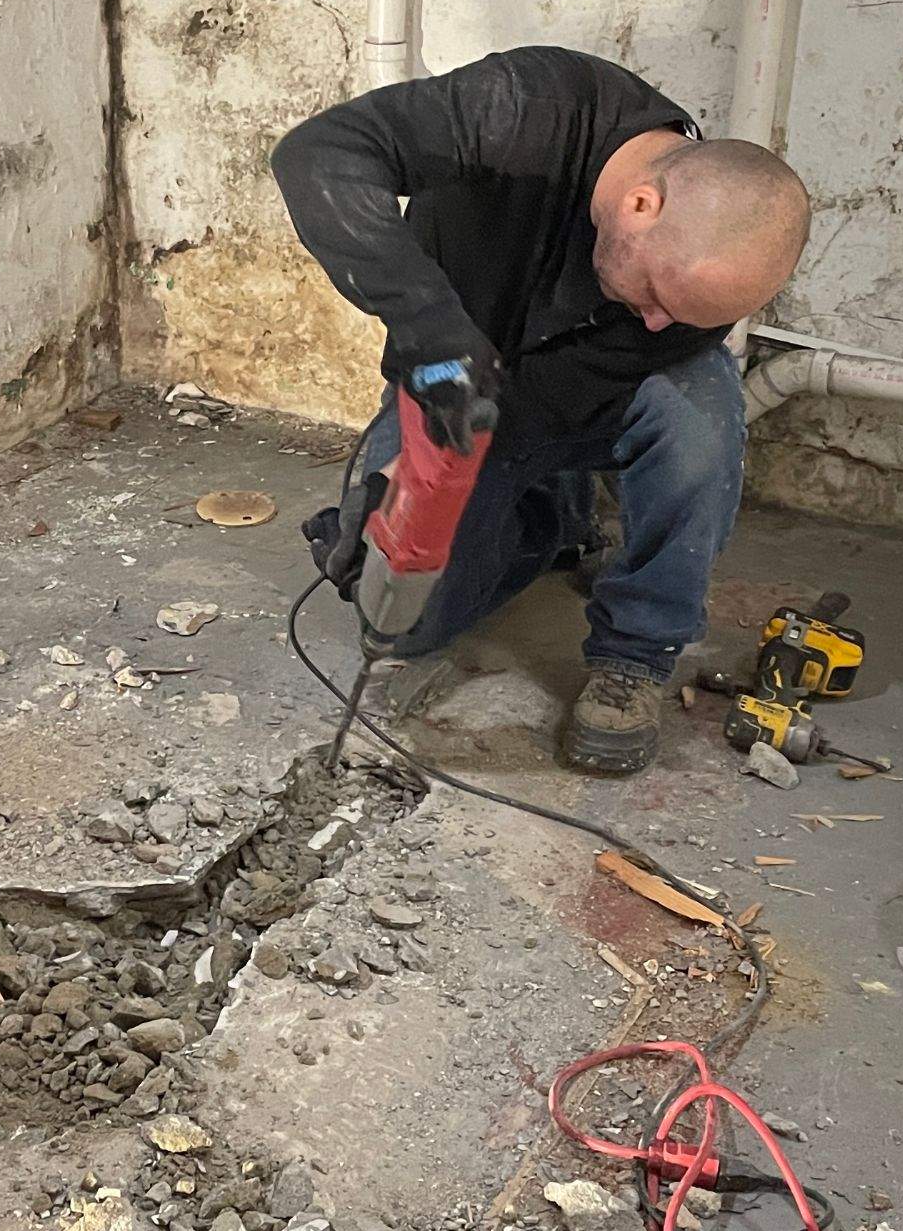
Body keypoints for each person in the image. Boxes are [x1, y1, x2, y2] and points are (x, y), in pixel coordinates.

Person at [273, 46, 809, 774]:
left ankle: (635, 653)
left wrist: (446, 474)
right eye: (656, 295)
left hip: (585, 397)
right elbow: (319, 156)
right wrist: (433, 351)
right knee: (402, 622)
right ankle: (554, 520)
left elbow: (565, 390)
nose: (660, 323)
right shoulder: (526, 108)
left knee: (699, 421)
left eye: (683, 316)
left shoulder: (693, 295)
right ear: (640, 205)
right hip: (455, 378)